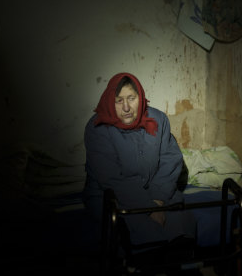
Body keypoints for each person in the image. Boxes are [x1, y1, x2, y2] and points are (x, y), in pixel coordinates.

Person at [83, 72, 196, 247]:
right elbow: (112, 178)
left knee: (180, 222)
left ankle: (185, 264)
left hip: (157, 191)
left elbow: (170, 160)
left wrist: (157, 201)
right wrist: (147, 208)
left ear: (140, 97)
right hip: (114, 196)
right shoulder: (98, 128)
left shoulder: (158, 119)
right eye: (119, 100)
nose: (126, 107)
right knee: (137, 228)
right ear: (109, 102)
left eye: (131, 98)